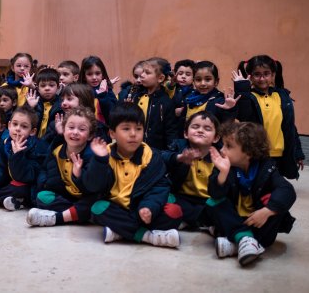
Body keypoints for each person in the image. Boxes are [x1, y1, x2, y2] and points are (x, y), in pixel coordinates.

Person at [83, 103, 183, 248]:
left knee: (174, 212)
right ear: (112, 133)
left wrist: (148, 207)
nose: (133, 134)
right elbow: (92, 186)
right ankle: (146, 236)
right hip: (116, 208)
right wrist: (99, 161)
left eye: (138, 129)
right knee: (98, 208)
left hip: (141, 209)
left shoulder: (151, 156)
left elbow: (160, 187)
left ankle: (120, 231)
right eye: (126, 129)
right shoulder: (105, 155)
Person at [207, 121, 297, 266]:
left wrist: (267, 211)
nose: (222, 150)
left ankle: (236, 243)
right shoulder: (224, 166)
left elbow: (287, 190)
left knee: (276, 203)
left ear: (248, 152)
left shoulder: (267, 168)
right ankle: (245, 240)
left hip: (258, 222)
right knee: (213, 202)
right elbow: (215, 194)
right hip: (235, 220)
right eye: (222, 145)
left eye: (228, 146)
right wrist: (222, 174)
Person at [233, 55, 305, 180]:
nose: (262, 78)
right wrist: (242, 88)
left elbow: (290, 127)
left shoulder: (281, 96)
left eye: (266, 74)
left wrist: (297, 153)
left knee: (273, 188)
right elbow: (243, 116)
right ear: (250, 76)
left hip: (279, 155)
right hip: (256, 154)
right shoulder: (249, 97)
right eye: (257, 74)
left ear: (273, 75)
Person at [27, 107, 99, 226]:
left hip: (86, 197)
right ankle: (77, 214)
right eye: (71, 127)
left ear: (90, 135)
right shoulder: (57, 151)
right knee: (42, 196)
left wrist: (79, 175)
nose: (75, 132)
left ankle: (58, 218)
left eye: (81, 129)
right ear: (63, 130)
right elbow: (50, 176)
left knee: (94, 204)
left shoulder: (92, 155)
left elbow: (93, 189)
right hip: (67, 197)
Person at [163, 111, 220, 230]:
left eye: (207, 128)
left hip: (207, 200)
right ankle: (201, 222)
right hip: (182, 198)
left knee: (222, 207)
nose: (200, 130)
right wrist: (180, 158)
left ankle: (190, 220)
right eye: (195, 127)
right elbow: (162, 156)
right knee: (165, 199)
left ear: (216, 138)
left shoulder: (219, 157)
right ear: (185, 133)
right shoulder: (179, 147)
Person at [120, 59, 177, 150]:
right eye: (142, 71)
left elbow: (171, 131)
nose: (142, 75)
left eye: (147, 73)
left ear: (160, 78)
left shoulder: (166, 102)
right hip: (133, 147)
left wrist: (172, 151)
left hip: (154, 151)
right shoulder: (135, 95)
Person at [174, 61, 238, 139]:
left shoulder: (220, 101)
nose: (203, 83)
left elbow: (226, 125)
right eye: (198, 80)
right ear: (193, 81)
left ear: (216, 82)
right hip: (188, 145)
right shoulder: (189, 100)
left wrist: (229, 110)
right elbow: (183, 125)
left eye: (208, 79)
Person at [78, 55, 118, 126]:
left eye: (97, 73)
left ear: (103, 75)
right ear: (84, 76)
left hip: (104, 132)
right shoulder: (79, 92)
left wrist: (103, 95)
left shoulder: (108, 91)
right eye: (89, 74)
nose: (94, 77)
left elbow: (113, 115)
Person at [26, 68, 63, 144]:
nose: (47, 88)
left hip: (51, 143)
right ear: (38, 88)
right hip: (32, 142)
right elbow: (24, 120)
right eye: (43, 85)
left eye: (51, 85)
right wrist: (31, 107)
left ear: (58, 87)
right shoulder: (32, 101)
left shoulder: (62, 105)